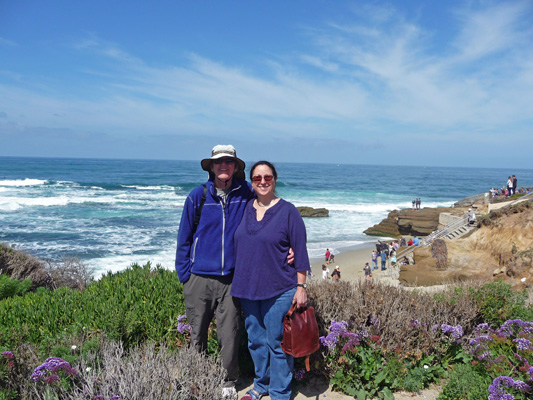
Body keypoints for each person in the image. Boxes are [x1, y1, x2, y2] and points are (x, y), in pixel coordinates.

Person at [175, 144, 251, 400]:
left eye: (229, 161)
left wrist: (287, 246)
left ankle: (228, 380)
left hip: (230, 279)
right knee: (197, 332)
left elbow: (267, 214)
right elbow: (184, 238)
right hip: (198, 278)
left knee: (229, 333)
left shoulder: (246, 194)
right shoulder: (198, 196)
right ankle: (197, 376)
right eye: (218, 162)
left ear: (235, 167)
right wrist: (185, 276)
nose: (223, 165)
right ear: (211, 166)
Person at [231, 161, 310, 400]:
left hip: (280, 288)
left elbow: (300, 249)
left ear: (275, 179)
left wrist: (301, 285)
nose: (263, 182)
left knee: (278, 343)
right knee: (255, 341)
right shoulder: (244, 208)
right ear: (251, 182)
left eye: (267, 177)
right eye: (257, 178)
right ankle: (260, 385)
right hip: (247, 288)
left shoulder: (288, 211)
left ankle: (279, 392)